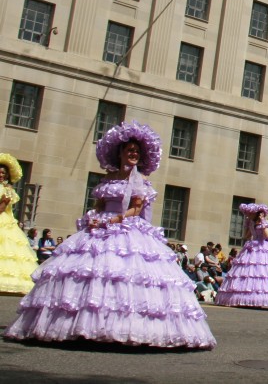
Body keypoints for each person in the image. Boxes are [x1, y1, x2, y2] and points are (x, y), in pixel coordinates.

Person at [4, 121, 216, 349]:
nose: (133, 154)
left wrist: (118, 219)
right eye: (130, 150)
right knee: (89, 274)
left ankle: (125, 327)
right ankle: (81, 325)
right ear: (121, 153)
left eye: (137, 151)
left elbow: (136, 207)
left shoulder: (140, 180)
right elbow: (100, 202)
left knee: (125, 277)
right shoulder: (110, 177)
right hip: (103, 226)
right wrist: (95, 217)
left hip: (127, 227)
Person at [0, 153, 36, 294]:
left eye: (3, 172)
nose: (1, 174)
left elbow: (2, 207)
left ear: (8, 175)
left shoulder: (8, 190)